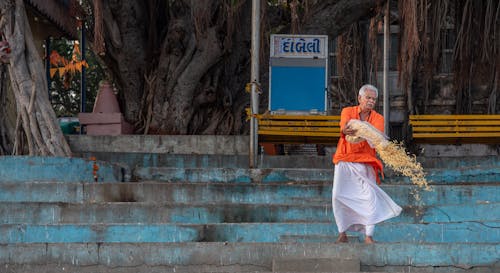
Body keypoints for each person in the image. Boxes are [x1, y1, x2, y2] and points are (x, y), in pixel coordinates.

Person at [331, 84, 402, 244]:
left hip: (366, 162)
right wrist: (345, 130)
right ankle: (342, 233)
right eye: (368, 98)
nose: (371, 101)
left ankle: (368, 236)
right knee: (338, 196)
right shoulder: (347, 112)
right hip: (345, 159)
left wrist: (375, 138)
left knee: (370, 198)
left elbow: (376, 139)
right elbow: (344, 127)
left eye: (373, 99)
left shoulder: (378, 118)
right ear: (360, 98)